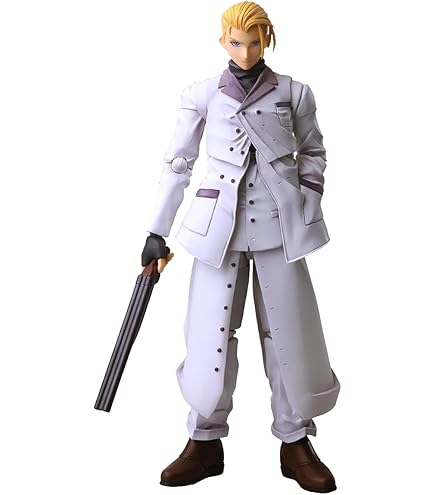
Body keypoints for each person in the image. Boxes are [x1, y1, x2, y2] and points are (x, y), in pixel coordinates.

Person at [141, 2, 340, 492]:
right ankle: (204, 441)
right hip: (218, 232)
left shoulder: (294, 92)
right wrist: (156, 231)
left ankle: (295, 441)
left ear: (266, 40)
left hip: (279, 230)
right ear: (222, 41)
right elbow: (178, 162)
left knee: (287, 335)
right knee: (208, 333)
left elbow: (313, 151)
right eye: (236, 42)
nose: (246, 53)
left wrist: (306, 196)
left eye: (254, 43)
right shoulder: (202, 95)